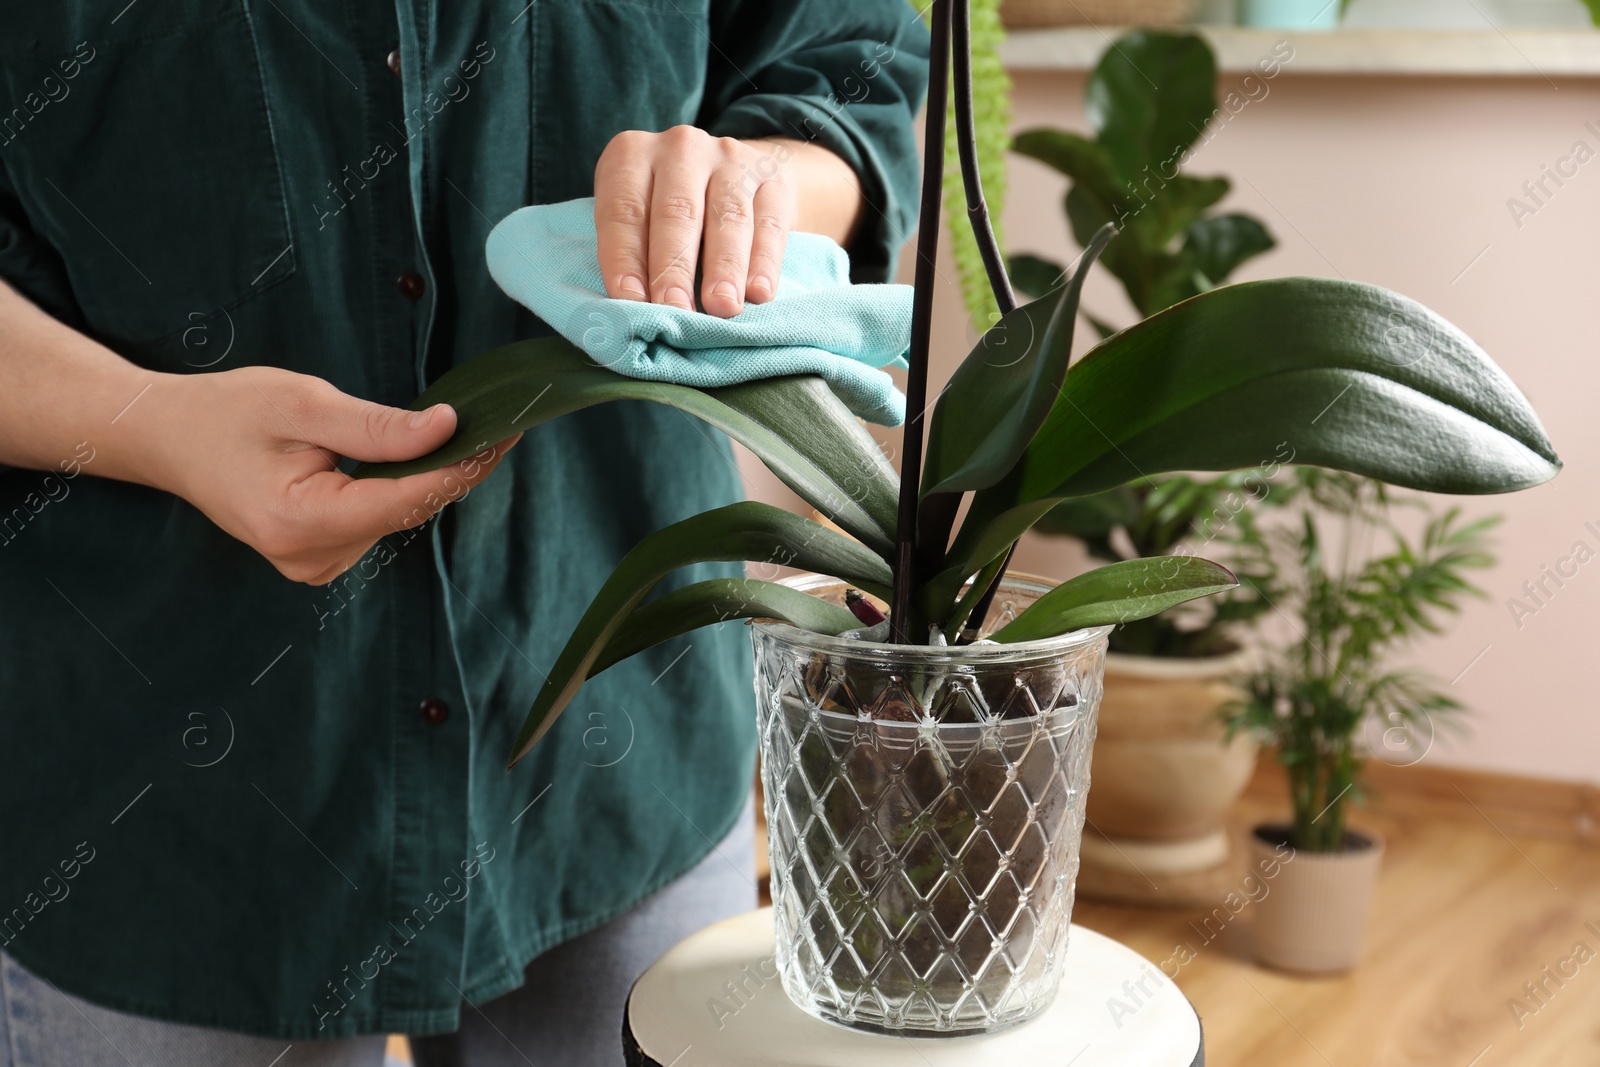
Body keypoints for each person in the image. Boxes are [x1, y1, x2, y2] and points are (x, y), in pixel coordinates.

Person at [0, 2, 928, 1063]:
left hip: (619, 754)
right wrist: (148, 425)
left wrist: (754, 180)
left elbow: (849, 56)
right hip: (157, 814)